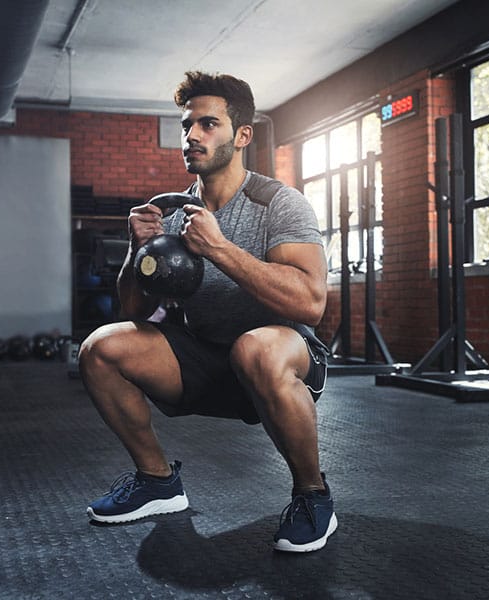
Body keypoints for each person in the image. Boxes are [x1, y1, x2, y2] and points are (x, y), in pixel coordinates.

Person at [79, 71, 335, 552]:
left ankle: (312, 496)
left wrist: (220, 250)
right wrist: (139, 251)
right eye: (187, 125)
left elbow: (310, 305)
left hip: (277, 356)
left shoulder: (279, 203)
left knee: (255, 346)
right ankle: (157, 482)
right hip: (204, 357)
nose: (193, 135)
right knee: (100, 348)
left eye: (208, 124)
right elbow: (134, 310)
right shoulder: (173, 214)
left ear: (242, 136)